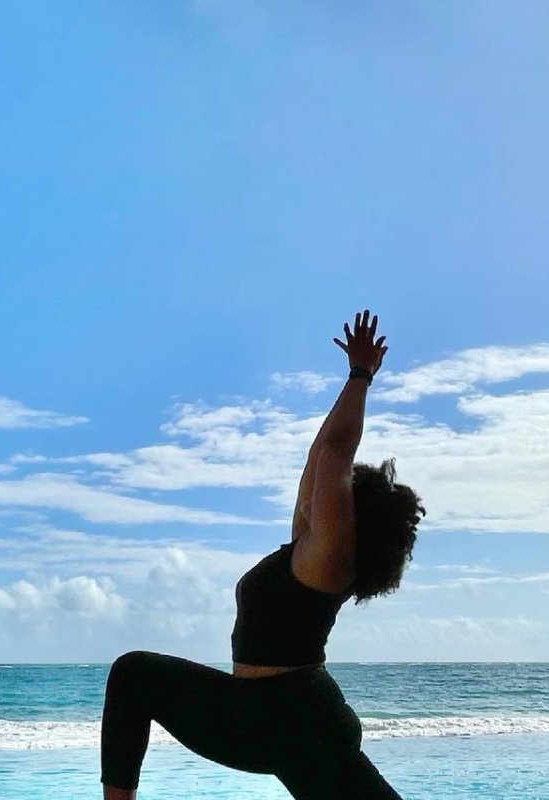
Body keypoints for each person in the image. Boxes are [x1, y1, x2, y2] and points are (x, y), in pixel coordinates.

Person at [100, 308, 426, 799]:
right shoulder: (309, 545)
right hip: (271, 718)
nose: (320, 493)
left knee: (133, 673)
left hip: (288, 720)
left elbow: (337, 451)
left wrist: (360, 375)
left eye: (335, 494)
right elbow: (320, 455)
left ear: (350, 515)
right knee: (134, 675)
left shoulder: (332, 559)